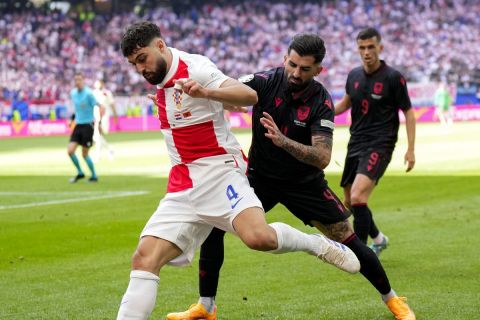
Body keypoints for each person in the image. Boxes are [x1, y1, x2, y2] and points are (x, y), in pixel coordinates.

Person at [116, 22, 359, 320]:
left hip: (221, 173)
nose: (140, 68)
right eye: (133, 63)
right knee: (143, 259)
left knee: (259, 238)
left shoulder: (196, 67)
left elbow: (248, 96)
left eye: (143, 58)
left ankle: (316, 244)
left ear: (161, 46)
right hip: (183, 183)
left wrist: (206, 92)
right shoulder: (161, 80)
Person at [167, 33, 416, 320]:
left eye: (305, 69)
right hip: (259, 179)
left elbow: (322, 157)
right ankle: (206, 307)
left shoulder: (321, 100)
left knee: (347, 238)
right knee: (214, 227)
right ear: (285, 58)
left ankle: (393, 300)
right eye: (292, 64)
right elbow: (231, 89)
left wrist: (283, 140)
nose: (296, 73)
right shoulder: (266, 80)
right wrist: (186, 97)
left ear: (318, 70)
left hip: (304, 184)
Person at [334, 27, 416, 257]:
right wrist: (322, 111)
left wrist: (410, 149)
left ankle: (359, 255)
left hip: (381, 143)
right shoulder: (354, 75)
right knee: (350, 201)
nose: (367, 52)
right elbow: (345, 104)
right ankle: (378, 238)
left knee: (359, 197)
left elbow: (409, 112)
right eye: (362, 48)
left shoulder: (393, 77)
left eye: (371, 47)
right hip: (356, 141)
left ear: (380, 47)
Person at [67, 72, 101, 183]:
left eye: (79, 80)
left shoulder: (88, 94)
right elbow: (77, 109)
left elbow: (99, 106)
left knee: (84, 154)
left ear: (83, 81)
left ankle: (94, 176)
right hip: (78, 125)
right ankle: (80, 173)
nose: (77, 82)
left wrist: (98, 122)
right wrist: (72, 120)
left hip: (88, 125)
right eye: (76, 80)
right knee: (70, 151)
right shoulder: (73, 93)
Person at [93, 79, 118, 161]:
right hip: (96, 117)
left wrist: (115, 116)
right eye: (96, 83)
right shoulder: (93, 93)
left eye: (98, 83)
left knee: (98, 136)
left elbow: (112, 104)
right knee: (97, 136)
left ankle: (99, 156)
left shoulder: (107, 93)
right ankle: (109, 150)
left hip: (104, 116)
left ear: (102, 83)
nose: (97, 84)